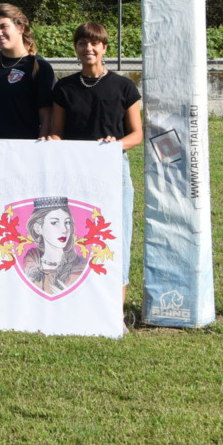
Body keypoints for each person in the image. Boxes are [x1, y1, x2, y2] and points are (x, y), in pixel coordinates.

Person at [45, 21, 142, 304]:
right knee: (76, 237)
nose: (88, 48)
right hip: (73, 170)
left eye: (94, 43)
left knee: (116, 237)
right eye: (82, 43)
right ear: (76, 48)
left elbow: (136, 134)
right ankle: (78, 302)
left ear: (104, 48)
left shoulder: (124, 87)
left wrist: (115, 145)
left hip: (114, 169)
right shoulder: (64, 88)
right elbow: (57, 132)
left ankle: (116, 311)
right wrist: (51, 140)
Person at [0, 3, 55, 174]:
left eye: (3, 27)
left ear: (21, 27)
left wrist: (41, 150)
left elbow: (47, 116)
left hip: (23, 154)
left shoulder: (39, 67)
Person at [21, 198, 89, 295]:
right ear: (38, 228)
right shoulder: (30, 267)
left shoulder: (81, 267)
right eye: (54, 223)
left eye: (67, 222)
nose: (64, 230)